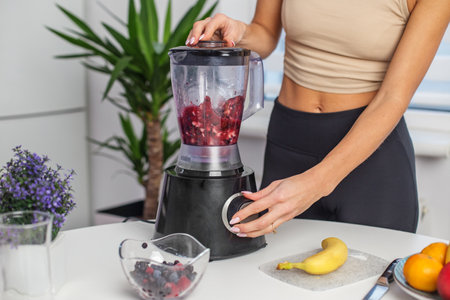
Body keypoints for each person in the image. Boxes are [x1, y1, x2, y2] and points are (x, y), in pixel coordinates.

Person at [186, 0, 450, 237]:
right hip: (288, 143)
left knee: (369, 286)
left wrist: (315, 183)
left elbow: (393, 96)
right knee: (274, 280)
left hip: (371, 163)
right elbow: (265, 34)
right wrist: (239, 32)